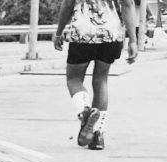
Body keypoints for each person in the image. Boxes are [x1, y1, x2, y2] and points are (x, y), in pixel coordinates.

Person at [53, 0, 138, 150]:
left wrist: (59, 33)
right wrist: (133, 40)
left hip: (83, 32)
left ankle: (85, 111)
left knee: (74, 79)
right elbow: (128, 4)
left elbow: (67, 5)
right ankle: (98, 136)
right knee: (101, 80)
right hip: (112, 33)